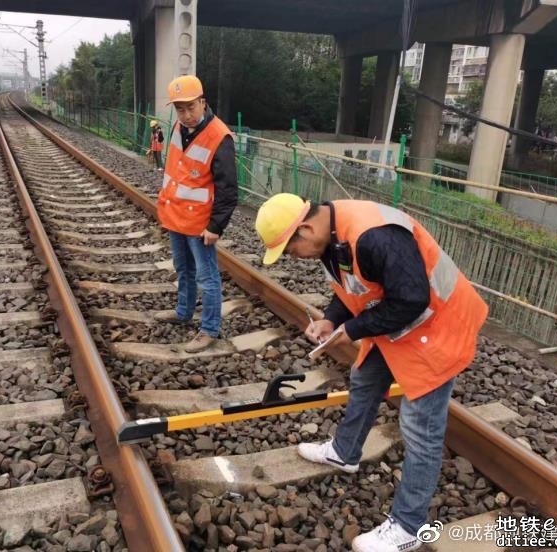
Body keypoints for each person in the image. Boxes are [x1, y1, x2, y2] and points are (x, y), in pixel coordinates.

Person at [254, 193, 488, 552]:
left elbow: (412, 299)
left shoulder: (374, 236)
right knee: (365, 379)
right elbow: (352, 290)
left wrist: (354, 330)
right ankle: (344, 452)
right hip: (399, 322)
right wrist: (332, 320)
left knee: (420, 428)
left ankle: (408, 527)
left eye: (290, 250)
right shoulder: (331, 239)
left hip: (439, 325)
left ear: (305, 228)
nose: (293, 258)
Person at [155, 75, 238, 353]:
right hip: (177, 216)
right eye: (180, 109)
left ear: (203, 102)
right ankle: (183, 311)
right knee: (183, 269)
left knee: (207, 277)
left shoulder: (219, 137)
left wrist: (216, 226)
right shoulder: (179, 127)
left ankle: (210, 329)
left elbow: (228, 191)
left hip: (201, 222)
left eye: (191, 107)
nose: (186, 114)